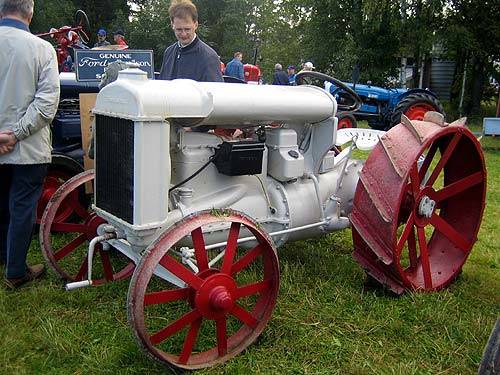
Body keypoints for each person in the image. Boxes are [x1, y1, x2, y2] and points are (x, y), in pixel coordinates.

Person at [0, 0, 60, 289]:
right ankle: (15, 270)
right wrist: (16, 134)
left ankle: (4, 255)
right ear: (30, 10)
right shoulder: (41, 49)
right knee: (22, 206)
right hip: (27, 149)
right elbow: (47, 104)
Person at [159, 0, 223, 82]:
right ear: (172, 25)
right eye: (179, 29)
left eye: (187, 29)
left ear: (196, 25)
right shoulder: (168, 52)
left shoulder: (209, 57)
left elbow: (215, 92)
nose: (183, 34)